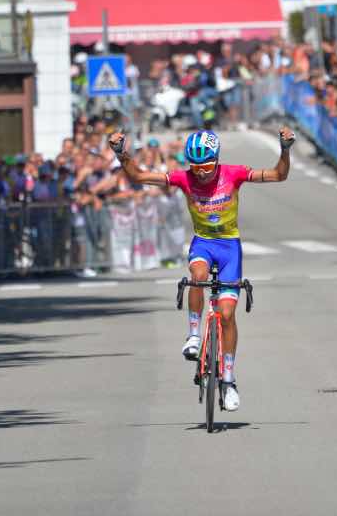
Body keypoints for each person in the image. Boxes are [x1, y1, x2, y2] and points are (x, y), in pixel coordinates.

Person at [107, 127, 296, 412]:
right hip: (203, 244)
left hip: (229, 247)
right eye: (196, 167)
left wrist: (285, 150)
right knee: (197, 278)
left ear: (217, 161)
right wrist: (122, 154)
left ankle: (229, 381)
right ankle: (194, 336)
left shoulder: (233, 174)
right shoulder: (185, 178)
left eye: (207, 166)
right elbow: (139, 176)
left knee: (228, 314)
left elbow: (279, 175)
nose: (202, 173)